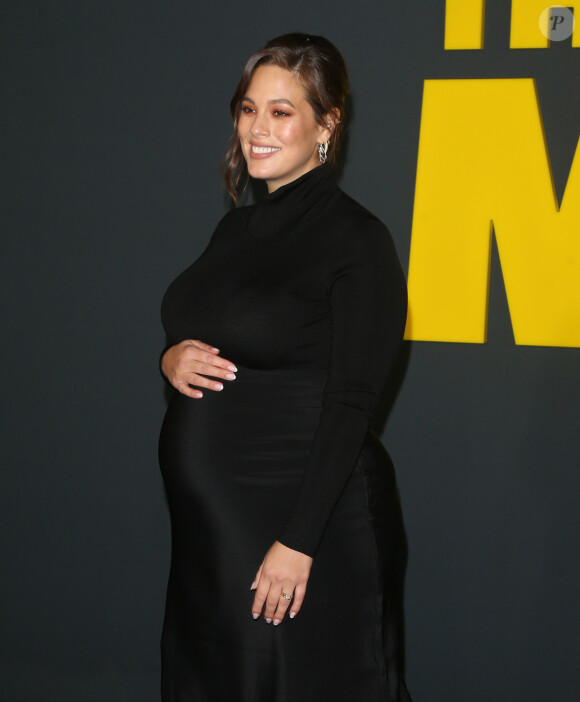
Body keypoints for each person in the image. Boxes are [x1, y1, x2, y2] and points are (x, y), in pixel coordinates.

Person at [158, 32, 412, 702]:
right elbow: (200, 323)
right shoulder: (235, 229)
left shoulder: (357, 240)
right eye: (248, 109)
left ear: (326, 124)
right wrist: (171, 354)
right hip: (214, 534)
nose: (256, 129)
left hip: (303, 523)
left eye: (281, 111)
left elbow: (352, 403)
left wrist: (299, 543)